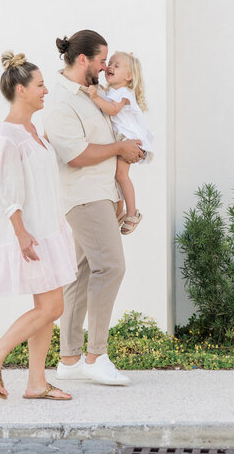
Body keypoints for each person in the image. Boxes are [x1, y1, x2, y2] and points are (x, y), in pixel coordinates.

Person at [0, 52, 78, 401]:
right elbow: (6, 192)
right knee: (52, 307)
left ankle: (35, 383)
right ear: (21, 90)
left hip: (47, 228)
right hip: (32, 234)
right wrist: (21, 233)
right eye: (41, 85)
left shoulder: (32, 131)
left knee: (48, 308)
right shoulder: (7, 138)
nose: (46, 90)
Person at [44, 30, 144, 387]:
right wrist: (120, 149)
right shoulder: (61, 103)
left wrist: (116, 188)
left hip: (98, 193)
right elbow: (77, 156)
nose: (105, 67)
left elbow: (102, 140)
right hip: (84, 197)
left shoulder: (90, 96)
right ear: (82, 59)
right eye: (102, 60)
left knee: (83, 273)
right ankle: (96, 355)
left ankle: (69, 359)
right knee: (111, 267)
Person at [85, 51, 153, 235]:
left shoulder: (124, 92)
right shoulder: (111, 91)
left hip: (128, 139)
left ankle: (132, 213)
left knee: (121, 176)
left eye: (117, 65)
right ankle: (119, 212)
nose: (110, 67)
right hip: (120, 139)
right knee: (116, 176)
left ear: (129, 76)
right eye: (110, 63)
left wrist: (95, 98)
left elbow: (113, 110)